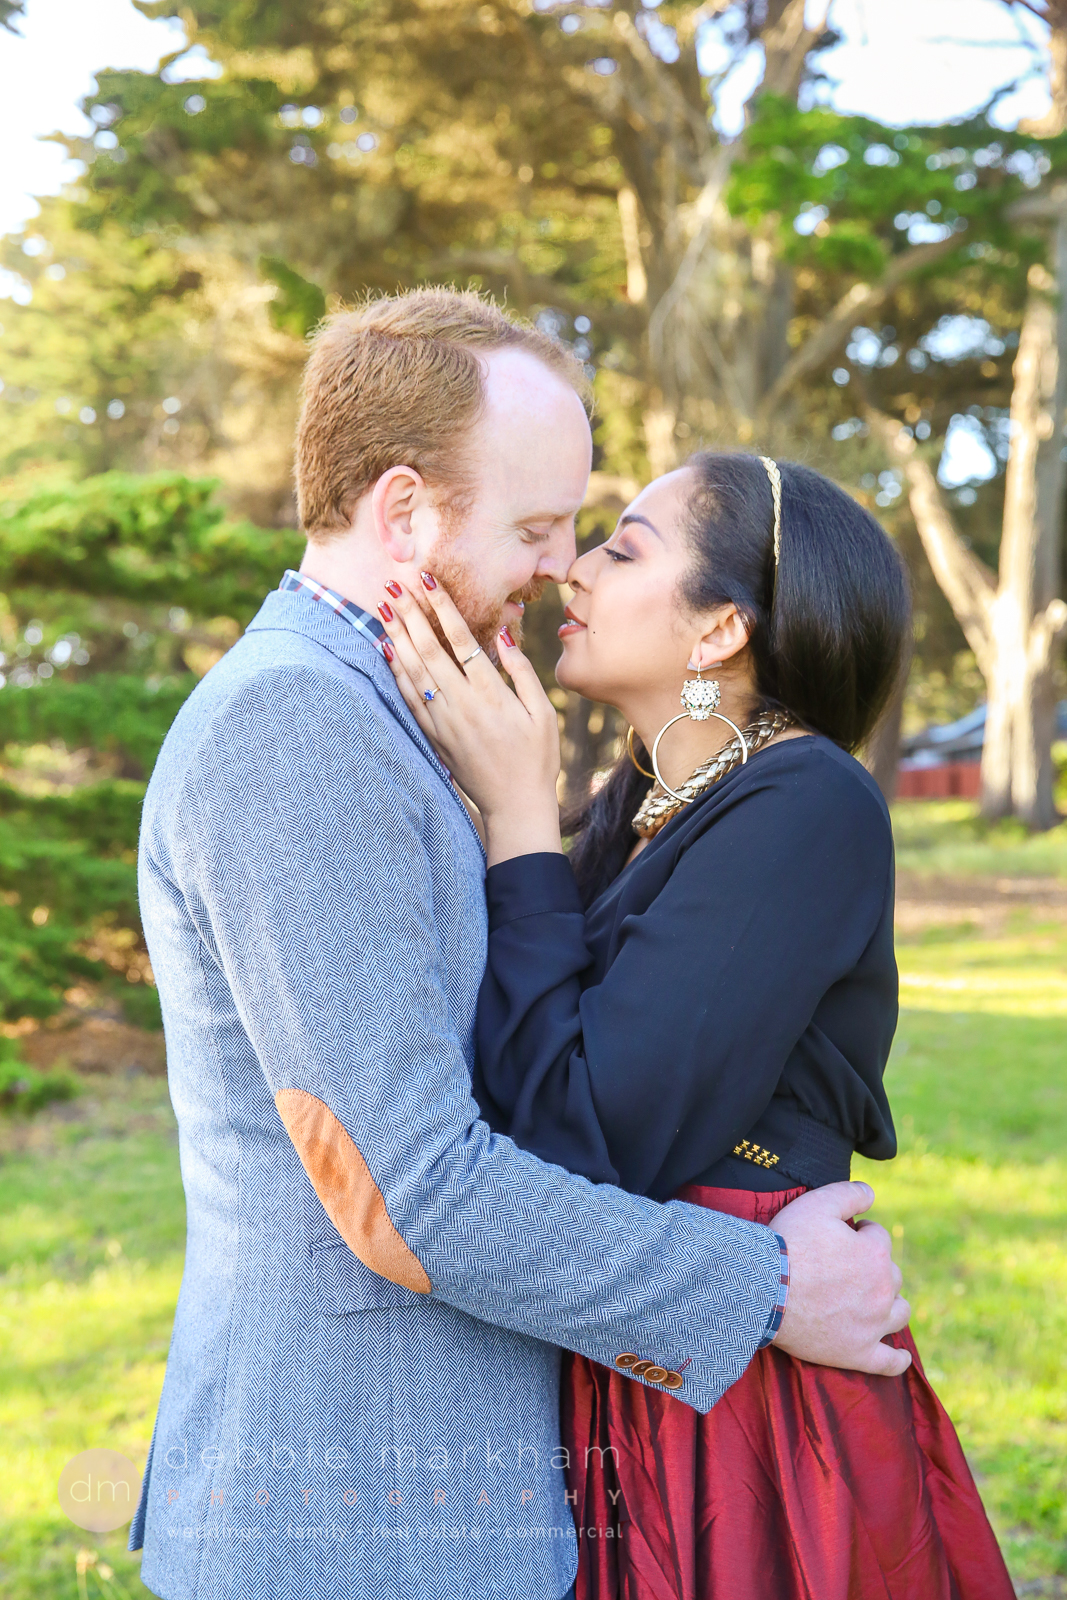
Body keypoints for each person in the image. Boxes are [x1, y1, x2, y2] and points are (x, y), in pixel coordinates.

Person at [131, 290, 910, 1600]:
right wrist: (770, 1287)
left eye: (586, 534)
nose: (559, 565)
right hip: (358, 1521)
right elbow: (408, 1190)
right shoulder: (300, 729)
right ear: (403, 515)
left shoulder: (414, 715)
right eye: (539, 527)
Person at [377, 448, 1016, 1600]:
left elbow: (588, 1139)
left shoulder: (808, 801)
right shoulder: (635, 809)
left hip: (744, 1398)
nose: (572, 569)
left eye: (621, 547)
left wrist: (517, 814)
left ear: (719, 626)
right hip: (650, 1328)